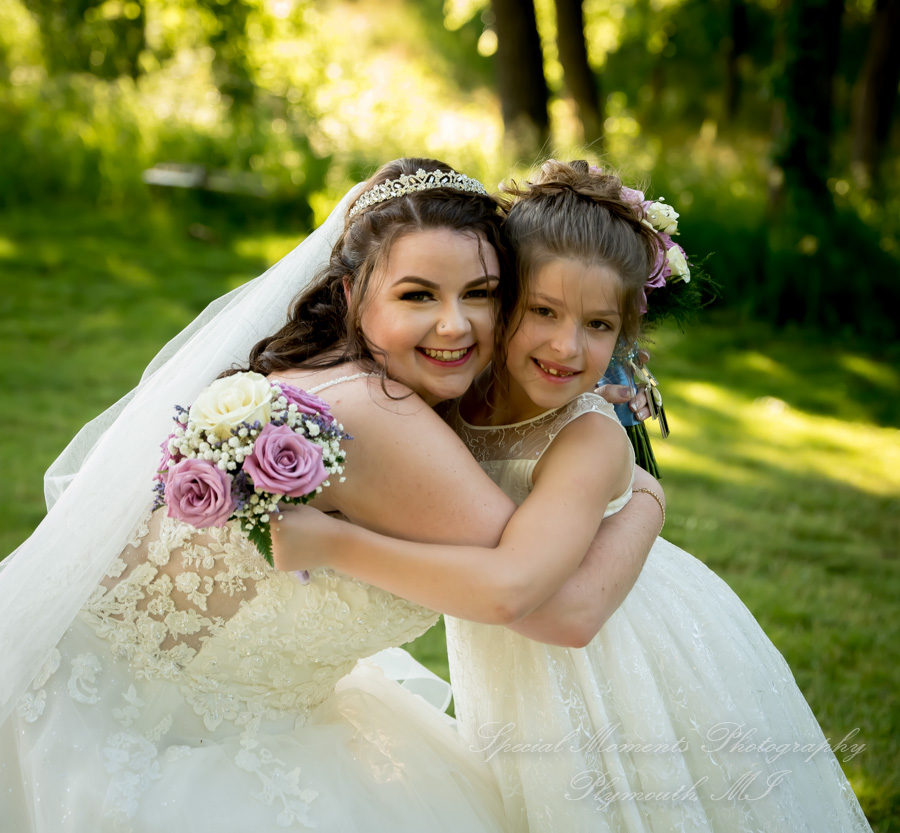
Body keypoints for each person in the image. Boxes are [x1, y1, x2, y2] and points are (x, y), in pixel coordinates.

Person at [0, 157, 663, 832]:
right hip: (151, 746)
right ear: (352, 296)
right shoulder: (384, 414)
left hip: (174, 704)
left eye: (481, 294)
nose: (455, 325)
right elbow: (560, 606)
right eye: (418, 296)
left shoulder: (319, 366)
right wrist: (645, 496)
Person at [277, 161, 874, 832]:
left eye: (598, 326)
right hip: (516, 659)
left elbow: (571, 615)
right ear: (502, 303)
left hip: (618, 659)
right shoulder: (453, 395)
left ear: (625, 334)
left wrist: (647, 502)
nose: (567, 345)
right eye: (543, 311)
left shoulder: (587, 438)